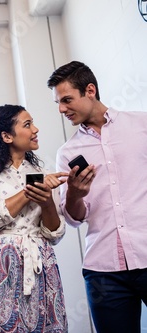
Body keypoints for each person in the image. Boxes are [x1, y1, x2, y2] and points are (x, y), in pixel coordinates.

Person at [48, 60, 147, 333]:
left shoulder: (141, 125)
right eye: (58, 102)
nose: (61, 109)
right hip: (104, 271)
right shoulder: (67, 152)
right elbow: (75, 218)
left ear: (90, 90)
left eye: (67, 100)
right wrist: (75, 195)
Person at [0, 104, 69, 333]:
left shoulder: (44, 173)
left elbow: (54, 233)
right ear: (6, 136)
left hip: (39, 265)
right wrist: (29, 192)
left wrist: (47, 201)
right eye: (28, 124)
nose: (35, 129)